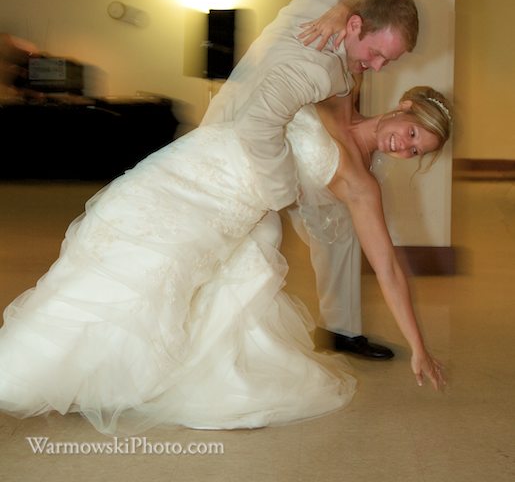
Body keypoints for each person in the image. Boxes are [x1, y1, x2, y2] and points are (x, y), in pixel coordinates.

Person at [0, 79, 450, 435]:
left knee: (147, 274)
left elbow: (388, 268)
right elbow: (339, 24)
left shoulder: (361, 184)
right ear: (401, 109)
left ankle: (54, 374)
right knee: (110, 237)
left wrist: (418, 347)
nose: (403, 147)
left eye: (415, 151)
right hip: (195, 160)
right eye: (410, 133)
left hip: (224, 207)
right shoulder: (338, 96)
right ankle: (43, 366)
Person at [203, 0, 419, 360]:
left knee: (339, 222)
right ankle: (210, 340)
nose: (378, 68)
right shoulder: (318, 65)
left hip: (301, 137)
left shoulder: (334, 1)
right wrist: (279, 190)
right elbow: (260, 126)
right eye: (377, 55)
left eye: (391, 62)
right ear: (359, 27)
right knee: (238, 238)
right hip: (243, 136)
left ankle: (340, 329)